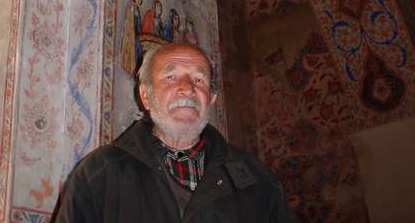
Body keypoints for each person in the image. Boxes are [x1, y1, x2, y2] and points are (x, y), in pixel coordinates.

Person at [52, 43, 292, 222]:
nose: (187, 89)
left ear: (211, 99)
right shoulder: (97, 174)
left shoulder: (258, 181)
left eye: (199, 79)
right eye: (171, 77)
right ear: (146, 96)